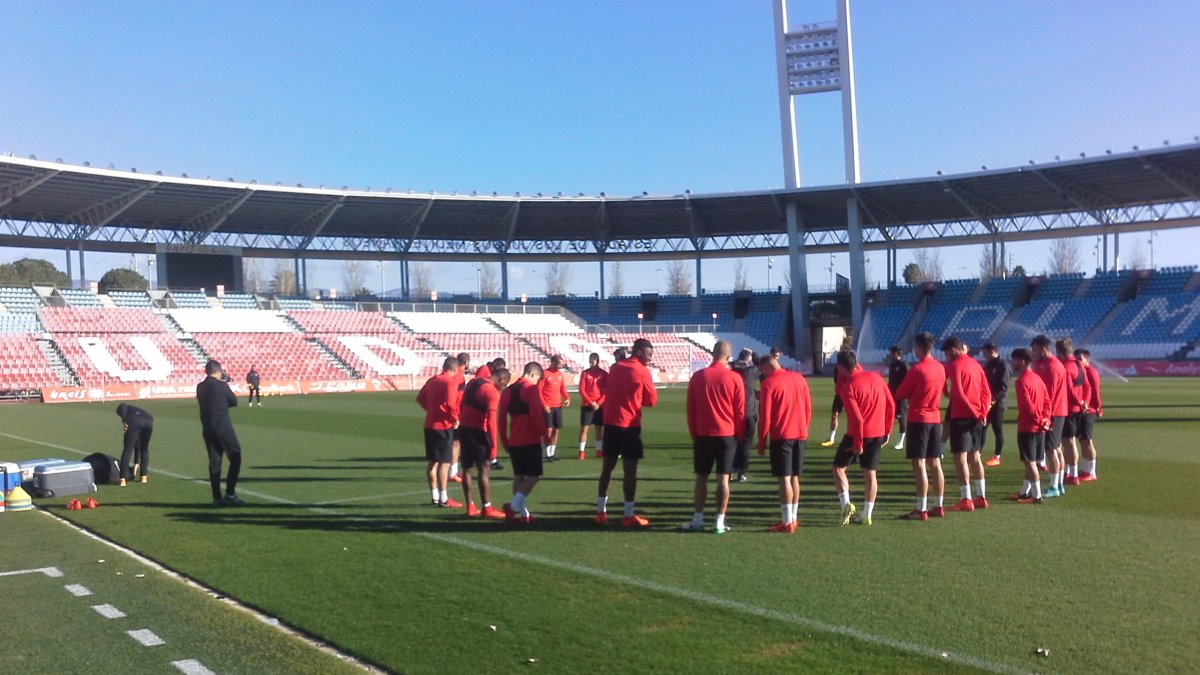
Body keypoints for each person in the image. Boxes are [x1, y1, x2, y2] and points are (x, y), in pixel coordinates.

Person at [682, 341, 745, 535]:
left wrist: (695, 433)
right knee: (723, 480)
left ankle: (698, 519)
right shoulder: (735, 378)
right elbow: (740, 412)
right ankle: (719, 521)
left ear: (713, 353)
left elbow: (690, 410)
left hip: (703, 434)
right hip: (726, 435)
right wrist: (739, 436)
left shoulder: (698, 377)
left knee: (701, 478)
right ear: (728, 356)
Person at [596, 338, 657, 527]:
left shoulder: (615, 368)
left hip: (611, 423)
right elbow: (652, 401)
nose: (650, 358)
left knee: (607, 468)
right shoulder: (641, 371)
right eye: (648, 354)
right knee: (630, 471)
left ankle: (600, 512)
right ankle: (628, 514)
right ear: (638, 352)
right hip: (629, 425)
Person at [830, 349, 894, 526]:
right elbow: (891, 405)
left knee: (838, 469)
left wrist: (857, 444)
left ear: (841, 368)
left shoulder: (848, 387)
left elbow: (857, 419)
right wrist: (887, 431)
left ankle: (845, 505)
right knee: (870, 474)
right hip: (877, 433)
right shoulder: (876, 377)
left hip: (857, 434)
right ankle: (867, 514)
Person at [893, 332, 947, 520]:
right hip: (935, 418)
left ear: (919, 348)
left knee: (920, 465)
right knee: (935, 464)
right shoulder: (941, 368)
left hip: (918, 419)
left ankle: (921, 508)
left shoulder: (917, 370)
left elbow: (900, 393)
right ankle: (938, 505)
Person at [757, 353, 812, 533]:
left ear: (766, 368)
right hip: (800, 434)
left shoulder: (768, 383)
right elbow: (807, 407)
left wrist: (761, 441)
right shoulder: (799, 379)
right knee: (795, 477)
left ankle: (787, 522)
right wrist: (804, 428)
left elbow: (765, 417)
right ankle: (793, 518)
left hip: (782, 436)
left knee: (784, 479)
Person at [942, 336, 993, 511]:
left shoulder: (955, 365)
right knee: (975, 456)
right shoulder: (976, 365)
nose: (947, 357)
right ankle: (981, 496)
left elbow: (960, 395)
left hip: (963, 416)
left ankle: (966, 498)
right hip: (978, 416)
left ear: (953, 350)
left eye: (948, 353)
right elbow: (987, 392)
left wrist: (973, 413)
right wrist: (982, 413)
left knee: (960, 458)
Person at [499, 362, 550, 524]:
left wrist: (504, 439)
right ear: (533, 375)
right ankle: (513, 508)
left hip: (514, 440)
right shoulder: (531, 389)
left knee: (519, 477)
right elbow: (536, 415)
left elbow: (500, 419)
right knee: (534, 476)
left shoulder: (507, 391)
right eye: (538, 380)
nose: (537, 384)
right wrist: (545, 435)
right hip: (530, 440)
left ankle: (523, 514)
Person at [459, 367, 511, 519]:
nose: (503, 388)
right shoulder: (491, 392)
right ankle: (486, 507)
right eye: (505, 384)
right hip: (477, 432)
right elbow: (491, 422)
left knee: (466, 469)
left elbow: (462, 404)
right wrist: (494, 447)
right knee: (484, 468)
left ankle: (470, 506)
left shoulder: (473, 382)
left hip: (463, 429)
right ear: (501, 379)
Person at [197, 359, 245, 506]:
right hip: (222, 427)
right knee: (235, 458)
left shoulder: (200, 387)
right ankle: (230, 494)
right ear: (218, 372)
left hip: (207, 428)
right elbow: (234, 401)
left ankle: (216, 497)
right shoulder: (221, 385)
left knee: (214, 463)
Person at [417, 356, 461, 508]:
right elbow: (450, 403)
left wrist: (431, 411)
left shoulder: (432, 380)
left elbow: (420, 398)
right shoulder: (450, 382)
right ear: (454, 369)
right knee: (444, 463)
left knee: (432, 462)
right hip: (443, 426)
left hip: (429, 425)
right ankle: (444, 498)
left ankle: (434, 496)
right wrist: (454, 419)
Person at [1008, 348, 1050, 504]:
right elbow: (1047, 401)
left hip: (1028, 427)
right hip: (1040, 427)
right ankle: (1024, 492)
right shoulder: (1038, 379)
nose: (1013, 363)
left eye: (1015, 360)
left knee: (1030, 462)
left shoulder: (1022, 381)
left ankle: (1037, 495)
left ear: (1022, 361)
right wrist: (1046, 420)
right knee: (1031, 461)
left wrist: (1039, 420)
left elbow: (1028, 406)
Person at [1031, 335, 1068, 497]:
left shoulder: (1052, 367)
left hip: (1053, 413)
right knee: (1056, 448)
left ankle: (1054, 486)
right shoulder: (1046, 364)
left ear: (1043, 349)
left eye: (1035, 350)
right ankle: (1058, 484)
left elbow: (1050, 394)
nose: (1033, 353)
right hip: (1057, 411)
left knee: (1051, 450)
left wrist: (1045, 416)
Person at [1057, 339, 1087, 486]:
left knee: (1067, 442)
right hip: (1079, 409)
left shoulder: (1065, 367)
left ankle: (1072, 474)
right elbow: (1087, 386)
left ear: (1059, 353)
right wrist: (1084, 403)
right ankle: (1070, 471)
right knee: (1071, 442)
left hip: (1068, 409)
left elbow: (1069, 391)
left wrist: (1079, 402)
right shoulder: (1079, 364)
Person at [729, 348, 759, 482]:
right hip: (749, 413)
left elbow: (731, 364)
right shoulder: (751, 372)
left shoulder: (732, 372)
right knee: (746, 444)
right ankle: (742, 472)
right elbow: (760, 364)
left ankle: (729, 471)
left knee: (733, 444)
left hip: (733, 414)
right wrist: (753, 353)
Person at [981, 342, 1010, 466]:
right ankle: (977, 453)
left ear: (992, 351)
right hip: (987, 402)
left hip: (998, 404)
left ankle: (997, 456)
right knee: (982, 428)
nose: (984, 356)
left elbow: (1003, 388)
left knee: (997, 429)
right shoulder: (988, 365)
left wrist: (992, 400)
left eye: (985, 353)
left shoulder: (1003, 365)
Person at [1076, 349, 1102, 481]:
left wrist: (1098, 407)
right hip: (1082, 410)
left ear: (1087, 359)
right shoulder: (1081, 371)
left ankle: (1091, 471)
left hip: (1089, 410)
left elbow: (1095, 392)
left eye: (1080, 359)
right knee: (1082, 440)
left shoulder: (1091, 372)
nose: (1077, 361)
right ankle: (1085, 468)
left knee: (1087, 441)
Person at [539, 355, 570, 462]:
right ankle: (547, 454)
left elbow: (562, 388)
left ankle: (552, 453)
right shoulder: (545, 374)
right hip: (548, 406)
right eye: (559, 364)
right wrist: (544, 405)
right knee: (548, 430)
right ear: (553, 362)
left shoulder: (560, 374)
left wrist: (567, 397)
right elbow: (539, 391)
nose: (560, 367)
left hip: (558, 406)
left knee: (556, 430)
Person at [577, 353, 608, 460]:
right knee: (584, 429)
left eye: (594, 359)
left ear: (598, 361)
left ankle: (599, 450)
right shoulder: (585, 373)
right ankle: (581, 451)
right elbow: (581, 390)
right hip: (587, 405)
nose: (592, 361)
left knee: (599, 428)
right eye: (591, 359)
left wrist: (598, 403)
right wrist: (591, 402)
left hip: (599, 406)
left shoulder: (603, 374)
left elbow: (606, 391)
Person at [447, 352, 472, 483]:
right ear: (466, 363)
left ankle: (453, 471)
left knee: (456, 442)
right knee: (455, 443)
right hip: (455, 413)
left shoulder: (458, 376)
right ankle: (452, 472)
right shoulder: (458, 377)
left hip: (455, 412)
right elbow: (454, 395)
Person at [115, 403, 153, 486]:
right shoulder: (135, 409)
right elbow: (137, 445)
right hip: (149, 421)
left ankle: (122, 479)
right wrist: (136, 462)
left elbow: (123, 406)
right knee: (144, 449)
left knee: (127, 450)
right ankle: (144, 477)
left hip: (134, 421)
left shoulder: (123, 408)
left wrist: (124, 420)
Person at [886, 346, 909, 450]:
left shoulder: (904, 366)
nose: (890, 355)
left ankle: (901, 442)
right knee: (889, 416)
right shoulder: (891, 366)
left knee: (901, 418)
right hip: (892, 395)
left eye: (892, 353)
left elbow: (908, 381)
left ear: (897, 354)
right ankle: (885, 438)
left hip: (901, 396)